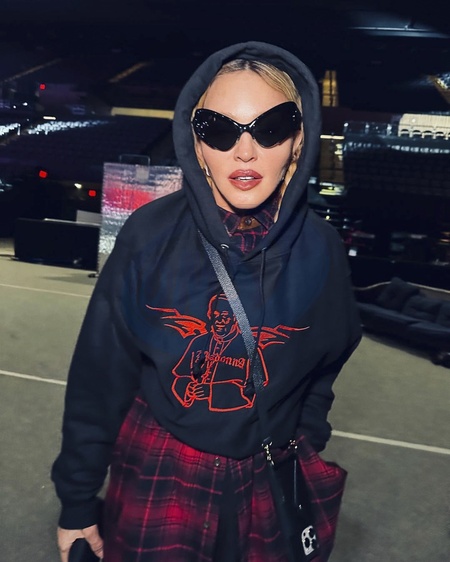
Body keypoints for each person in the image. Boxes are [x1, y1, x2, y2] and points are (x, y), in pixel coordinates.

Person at [52, 41, 362, 562]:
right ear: (196, 145)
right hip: (159, 469)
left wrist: (303, 437)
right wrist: (78, 501)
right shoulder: (149, 235)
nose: (245, 152)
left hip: (267, 473)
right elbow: (99, 378)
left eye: (271, 128)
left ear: (298, 140)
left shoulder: (322, 249)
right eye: (219, 130)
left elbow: (328, 360)